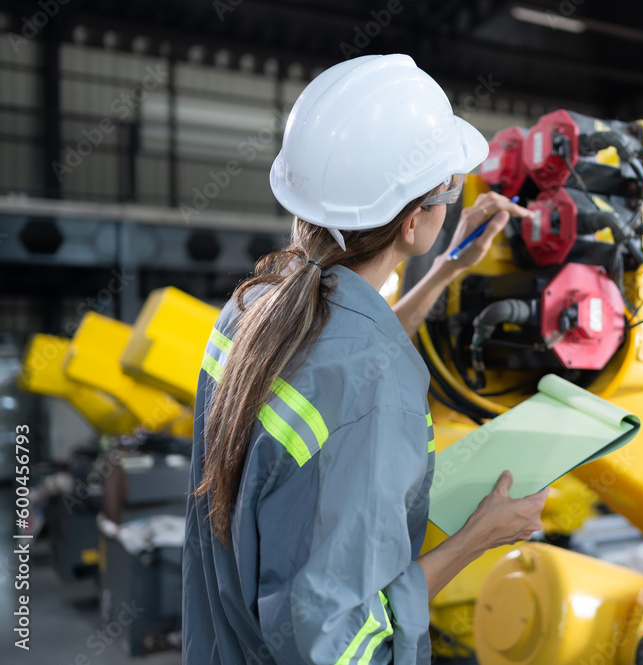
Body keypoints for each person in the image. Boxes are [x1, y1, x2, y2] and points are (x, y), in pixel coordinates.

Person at [182, 54, 547, 665]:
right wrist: (479, 537)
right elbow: (342, 641)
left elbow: (338, 359)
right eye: (451, 186)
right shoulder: (370, 378)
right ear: (412, 222)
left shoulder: (252, 309)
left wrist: (447, 270)